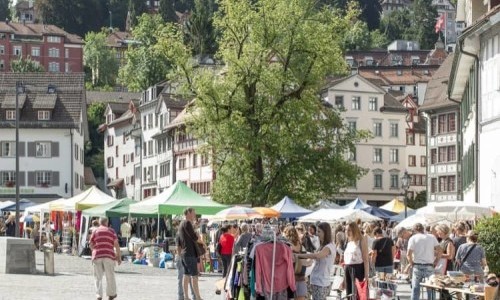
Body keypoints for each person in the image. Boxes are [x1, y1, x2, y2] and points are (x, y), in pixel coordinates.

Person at [297, 222, 336, 300]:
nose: (317, 234)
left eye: (319, 231)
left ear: (325, 232)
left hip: (321, 282)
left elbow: (316, 256)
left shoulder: (328, 247)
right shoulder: (323, 246)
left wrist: (299, 255)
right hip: (318, 281)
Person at [407, 223, 441, 300]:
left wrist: (411, 263)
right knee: (431, 288)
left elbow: (408, 254)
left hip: (417, 265)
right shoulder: (431, 237)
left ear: (415, 230)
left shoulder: (413, 238)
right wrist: (436, 261)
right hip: (429, 265)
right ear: (423, 229)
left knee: (415, 288)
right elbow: (440, 250)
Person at [89, 217, 121, 300]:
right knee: (110, 276)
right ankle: (111, 294)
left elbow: (91, 244)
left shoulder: (95, 231)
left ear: (99, 223)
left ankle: (99, 295)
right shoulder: (111, 231)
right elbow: (116, 244)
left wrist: (94, 251)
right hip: (109, 255)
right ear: (106, 222)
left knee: (98, 277)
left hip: (97, 255)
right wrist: (119, 257)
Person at [178, 207, 203, 300]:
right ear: (188, 213)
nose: (194, 215)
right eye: (193, 213)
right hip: (190, 253)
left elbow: (181, 240)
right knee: (194, 276)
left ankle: (186, 297)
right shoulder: (187, 223)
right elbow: (194, 237)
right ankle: (198, 297)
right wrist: (197, 234)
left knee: (186, 275)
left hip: (184, 253)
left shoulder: (181, 224)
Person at [343, 222, 370, 299]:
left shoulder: (361, 241)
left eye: (349, 230)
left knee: (358, 294)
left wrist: (366, 275)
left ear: (354, 230)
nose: (347, 232)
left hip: (358, 270)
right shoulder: (348, 243)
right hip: (348, 270)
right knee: (350, 294)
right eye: (346, 230)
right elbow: (346, 261)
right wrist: (344, 279)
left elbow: (365, 259)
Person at [284, 225, 309, 300]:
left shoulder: (287, 246)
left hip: (289, 277)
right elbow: (305, 258)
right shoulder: (301, 246)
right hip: (301, 277)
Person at [175, 228, 195, 300]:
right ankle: (181, 297)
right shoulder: (180, 235)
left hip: (185, 257)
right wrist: (181, 256)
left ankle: (192, 296)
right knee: (183, 278)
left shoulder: (182, 234)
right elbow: (178, 247)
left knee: (188, 278)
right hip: (182, 257)